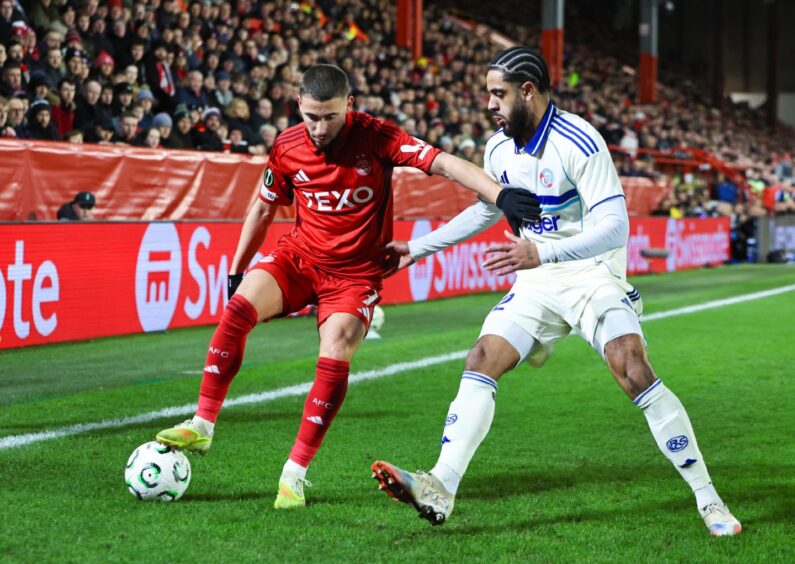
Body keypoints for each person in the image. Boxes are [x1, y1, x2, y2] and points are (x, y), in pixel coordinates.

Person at [370, 47, 742, 537]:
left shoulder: (579, 140)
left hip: (592, 276)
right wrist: (419, 249)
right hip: (539, 281)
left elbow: (615, 228)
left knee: (633, 369)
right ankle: (441, 485)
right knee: (482, 357)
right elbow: (489, 208)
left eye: (498, 94)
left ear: (528, 91)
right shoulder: (500, 148)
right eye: (487, 94)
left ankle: (708, 499)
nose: (489, 105)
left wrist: (541, 254)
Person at [155, 63, 539, 510]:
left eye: (330, 117)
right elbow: (261, 210)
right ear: (298, 105)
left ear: (349, 106)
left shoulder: (375, 136)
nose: (319, 127)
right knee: (238, 308)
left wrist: (500, 195)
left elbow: (443, 162)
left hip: (355, 276)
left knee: (335, 348)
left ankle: (293, 474)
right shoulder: (287, 146)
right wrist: (237, 270)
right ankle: (202, 425)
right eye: (311, 116)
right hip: (300, 258)